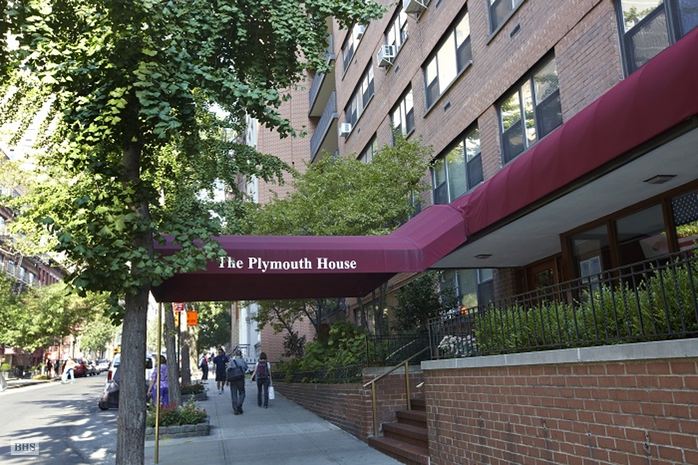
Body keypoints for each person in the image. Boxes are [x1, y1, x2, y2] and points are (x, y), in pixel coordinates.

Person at [228, 350, 248, 415]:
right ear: (241, 354)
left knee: (234, 394)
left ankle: (235, 410)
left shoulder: (231, 361)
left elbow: (228, 370)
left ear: (235, 354)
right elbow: (246, 368)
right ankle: (239, 405)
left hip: (233, 379)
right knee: (242, 393)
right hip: (240, 379)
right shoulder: (243, 361)